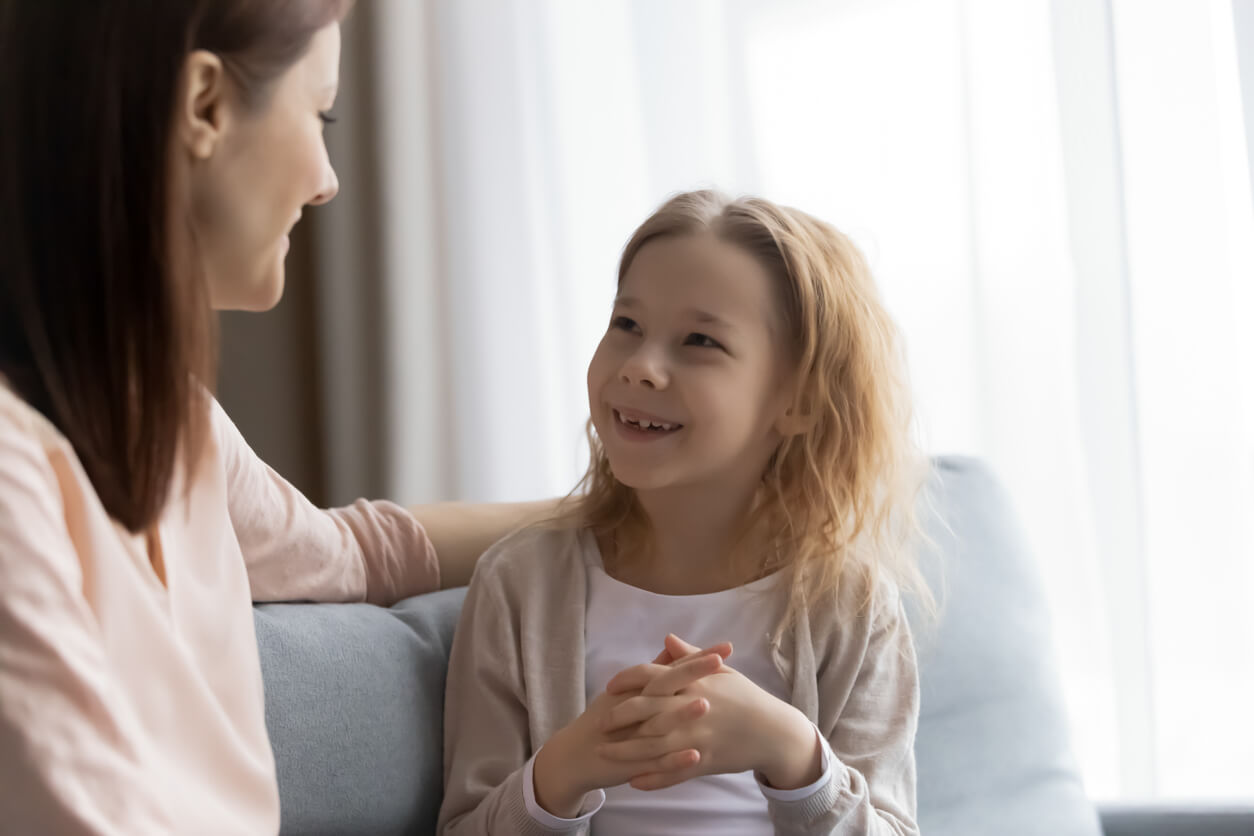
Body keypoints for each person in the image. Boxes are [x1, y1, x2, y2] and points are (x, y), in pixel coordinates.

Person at [0, 2, 546, 833]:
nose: (327, 178)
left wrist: (629, 510)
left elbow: (350, 554)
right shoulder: (13, 474)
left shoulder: (175, 423)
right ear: (205, 106)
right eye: (319, 113)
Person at [437, 190, 930, 835]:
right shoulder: (520, 584)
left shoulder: (851, 604)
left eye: (699, 340)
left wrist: (793, 753)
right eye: (627, 326)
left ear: (799, 402)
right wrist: (559, 774)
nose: (640, 366)